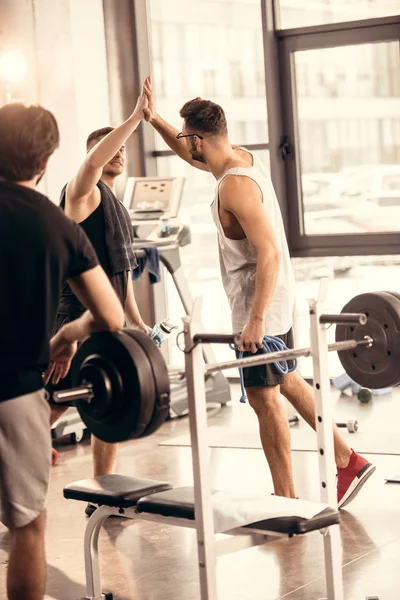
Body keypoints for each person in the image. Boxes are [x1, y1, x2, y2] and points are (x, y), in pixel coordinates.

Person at [142, 77, 375, 508]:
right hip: (278, 299)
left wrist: (254, 320)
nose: (183, 145)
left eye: (185, 138)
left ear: (197, 139)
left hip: (260, 305)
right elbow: (190, 156)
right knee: (286, 377)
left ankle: (286, 499)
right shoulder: (239, 158)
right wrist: (152, 116)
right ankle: (348, 459)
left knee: (262, 399)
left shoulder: (233, 186)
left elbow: (266, 252)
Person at [0, 101, 125, 600]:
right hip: (16, 396)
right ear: (47, 161)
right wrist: (67, 337)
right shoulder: (58, 227)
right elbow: (111, 317)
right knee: (27, 525)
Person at [47, 81, 151, 515]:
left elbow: (117, 273)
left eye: (124, 148)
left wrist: (137, 321)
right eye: (113, 147)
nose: (120, 154)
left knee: (105, 398)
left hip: (105, 320)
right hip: (72, 319)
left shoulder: (116, 204)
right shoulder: (82, 193)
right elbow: (93, 160)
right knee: (48, 404)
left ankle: (103, 495)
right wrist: (134, 119)